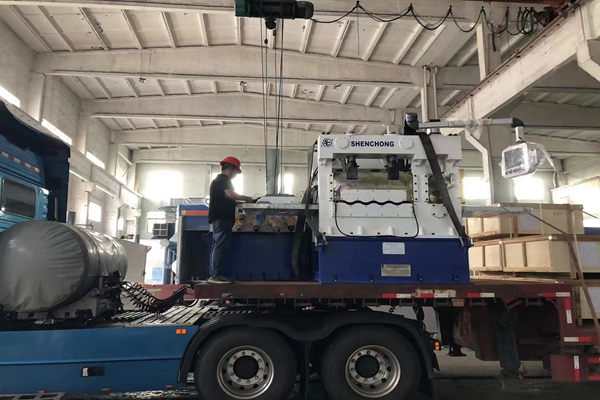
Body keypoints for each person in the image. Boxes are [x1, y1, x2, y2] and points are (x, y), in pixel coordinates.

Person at [208, 156, 254, 284]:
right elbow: (231, 194)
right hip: (222, 218)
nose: (235, 176)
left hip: (220, 218)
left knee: (218, 246)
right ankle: (215, 275)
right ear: (229, 168)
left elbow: (227, 198)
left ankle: (214, 274)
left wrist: (238, 202)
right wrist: (247, 198)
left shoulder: (218, 181)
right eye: (235, 173)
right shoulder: (224, 179)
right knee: (220, 246)